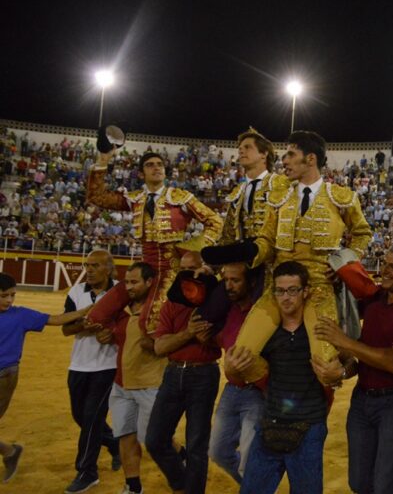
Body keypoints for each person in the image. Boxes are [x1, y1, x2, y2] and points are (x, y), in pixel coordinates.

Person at [234, 131, 372, 382]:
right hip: (280, 287)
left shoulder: (340, 196)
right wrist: (251, 251)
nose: (283, 161)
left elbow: (362, 233)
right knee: (240, 358)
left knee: (326, 369)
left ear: (310, 159)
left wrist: (344, 262)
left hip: (319, 286)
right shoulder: (279, 197)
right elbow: (266, 239)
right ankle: (276, 388)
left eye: (290, 154)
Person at [312, 243, 393, 494]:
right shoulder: (376, 298)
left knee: (385, 486)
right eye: (384, 263)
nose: (384, 270)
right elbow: (360, 353)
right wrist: (336, 281)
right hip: (362, 398)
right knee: (359, 482)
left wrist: (344, 341)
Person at [86, 147, 223, 334]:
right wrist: (102, 161)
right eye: (150, 165)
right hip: (144, 270)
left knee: (151, 324)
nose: (156, 168)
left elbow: (215, 222)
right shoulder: (135, 199)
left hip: (172, 269)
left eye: (160, 165)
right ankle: (122, 336)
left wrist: (192, 250)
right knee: (96, 317)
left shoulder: (181, 198)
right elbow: (97, 197)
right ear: (141, 174)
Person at [226, 261, 332, 494]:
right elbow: (236, 374)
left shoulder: (320, 331)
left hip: (310, 426)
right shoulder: (267, 333)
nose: (286, 297)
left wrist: (342, 372)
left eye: (293, 290)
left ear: (305, 292)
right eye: (280, 291)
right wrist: (233, 368)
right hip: (271, 422)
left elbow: (347, 361)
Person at [85, 262, 168, 494]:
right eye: (127, 282)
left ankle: (183, 459)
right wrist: (108, 334)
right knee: (125, 436)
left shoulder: (160, 310)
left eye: (135, 282)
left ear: (149, 282)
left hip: (150, 385)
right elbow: (115, 332)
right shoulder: (123, 310)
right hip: (121, 384)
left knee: (156, 440)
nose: (129, 287)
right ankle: (133, 486)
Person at [0, 273, 91, 483]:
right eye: (4, 296)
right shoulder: (18, 316)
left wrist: (86, 311)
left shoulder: (20, 315)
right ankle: (10, 451)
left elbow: (56, 319)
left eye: (12, 295)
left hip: (5, 376)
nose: (9, 301)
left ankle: (10, 452)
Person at [145, 252, 221, 494]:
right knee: (155, 440)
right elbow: (159, 347)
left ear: (204, 270)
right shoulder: (172, 303)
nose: (187, 275)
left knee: (197, 444)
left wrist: (204, 339)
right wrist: (189, 333)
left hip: (204, 374)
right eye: (184, 269)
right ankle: (181, 484)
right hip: (174, 372)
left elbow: (222, 342)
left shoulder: (215, 301)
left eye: (193, 269)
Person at [61, 250, 121, 493]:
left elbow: (132, 322)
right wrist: (82, 325)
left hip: (107, 366)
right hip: (78, 364)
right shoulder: (76, 292)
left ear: (108, 268)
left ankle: (87, 471)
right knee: (81, 417)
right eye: (88, 265)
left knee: (92, 419)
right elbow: (66, 329)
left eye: (95, 265)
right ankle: (115, 443)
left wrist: (113, 332)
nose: (90, 269)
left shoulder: (121, 291)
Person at [208, 261, 264, 484]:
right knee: (217, 452)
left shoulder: (262, 311)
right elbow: (225, 339)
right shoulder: (229, 309)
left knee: (250, 460)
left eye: (235, 280)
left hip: (258, 390)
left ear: (250, 283)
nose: (228, 286)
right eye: (226, 280)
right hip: (232, 389)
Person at [219, 128, 289, 245]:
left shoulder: (282, 184)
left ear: (264, 154)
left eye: (247, 147)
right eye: (240, 149)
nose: (241, 151)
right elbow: (228, 235)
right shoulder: (237, 192)